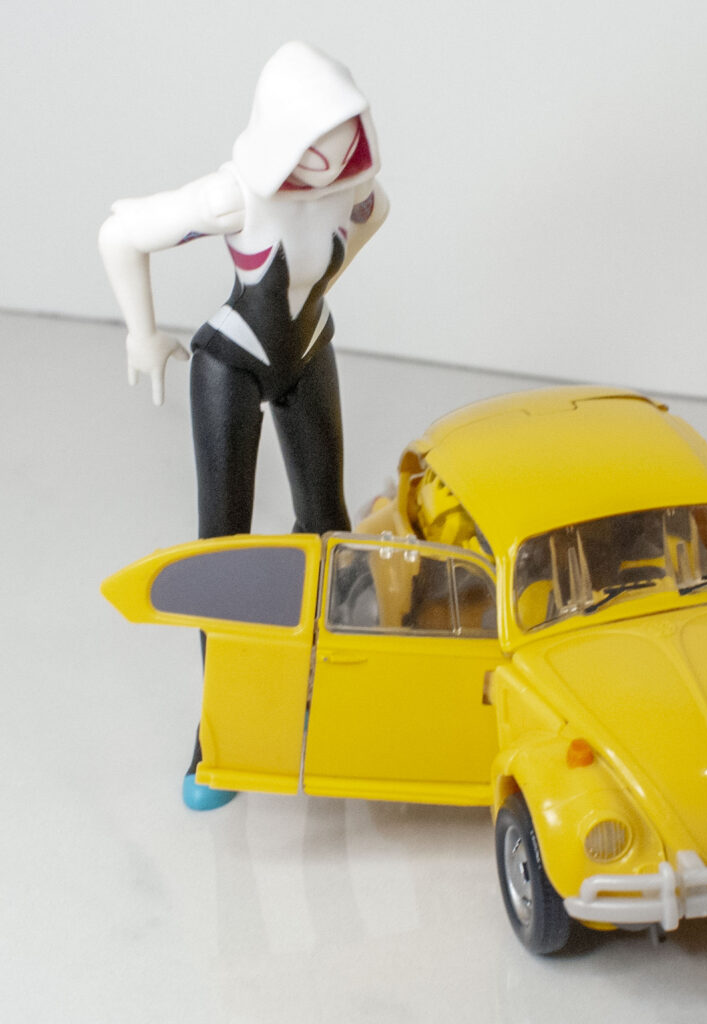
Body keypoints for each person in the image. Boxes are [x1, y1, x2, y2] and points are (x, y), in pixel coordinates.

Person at [99, 41, 389, 809]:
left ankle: (323, 686)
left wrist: (312, 292)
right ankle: (218, 738)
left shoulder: (360, 196)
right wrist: (141, 336)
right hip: (231, 364)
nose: (336, 155)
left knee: (328, 525)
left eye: (346, 136)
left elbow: (365, 223)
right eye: (317, 140)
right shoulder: (235, 197)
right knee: (220, 556)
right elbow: (120, 234)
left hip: (309, 349)